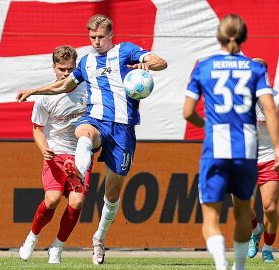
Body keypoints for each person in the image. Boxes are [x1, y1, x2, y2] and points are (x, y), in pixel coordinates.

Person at [16, 14, 167, 265]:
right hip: (96, 120)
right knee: (84, 134)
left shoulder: (126, 51)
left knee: (112, 194)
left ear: (110, 36)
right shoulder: (86, 63)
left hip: (123, 129)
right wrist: (33, 91)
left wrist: (147, 65)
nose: (96, 41)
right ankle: (78, 169)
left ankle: (99, 237)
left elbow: (161, 62)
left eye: (100, 37)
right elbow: (64, 85)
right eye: (92, 37)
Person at [183, 14, 279, 270]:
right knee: (242, 210)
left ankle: (221, 265)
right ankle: (239, 267)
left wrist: (205, 125)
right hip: (246, 149)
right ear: (244, 37)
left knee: (211, 215)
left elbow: (187, 113)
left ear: (219, 36)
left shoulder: (204, 67)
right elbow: (271, 109)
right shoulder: (255, 69)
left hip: (216, 147)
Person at [18, 45, 93, 264]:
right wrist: (44, 148)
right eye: (62, 69)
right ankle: (32, 236)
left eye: (70, 69)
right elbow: (37, 128)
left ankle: (57, 247)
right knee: (52, 200)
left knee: (76, 202)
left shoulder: (88, 90)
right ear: (54, 68)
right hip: (56, 153)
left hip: (80, 152)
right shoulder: (45, 97)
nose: (66, 74)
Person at [247, 58, 279, 263]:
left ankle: (268, 247)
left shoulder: (277, 100)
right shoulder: (242, 100)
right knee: (241, 205)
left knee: (269, 207)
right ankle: (255, 230)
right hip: (246, 158)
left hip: (270, 157)